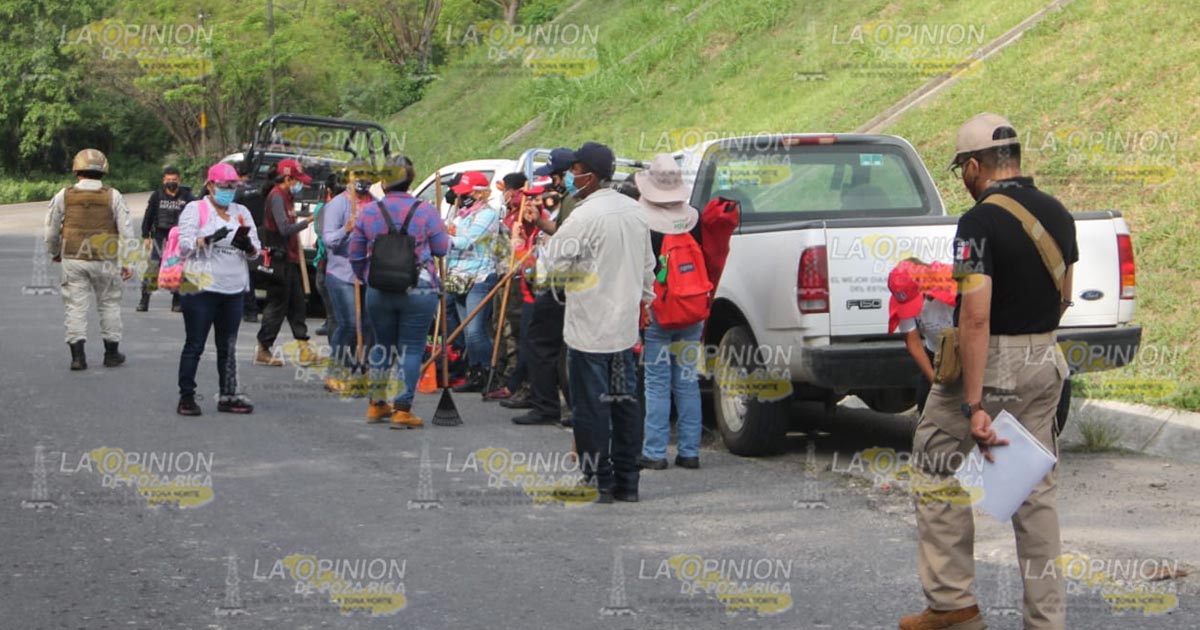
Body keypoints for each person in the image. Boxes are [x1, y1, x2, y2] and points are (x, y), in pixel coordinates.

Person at [900, 113, 1076, 630]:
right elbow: (1064, 297)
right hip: (1044, 359)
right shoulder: (1059, 214)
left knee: (935, 460)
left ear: (975, 166)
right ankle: (1047, 621)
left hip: (992, 361)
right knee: (1034, 493)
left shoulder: (977, 223)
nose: (964, 180)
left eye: (962, 171)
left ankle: (952, 604)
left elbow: (975, 316)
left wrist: (974, 403)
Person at [542, 142, 655, 503]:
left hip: (589, 329)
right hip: (624, 329)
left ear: (589, 175)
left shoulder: (583, 216)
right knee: (625, 405)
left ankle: (598, 479)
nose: (571, 177)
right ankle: (628, 481)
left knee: (591, 408)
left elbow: (550, 266)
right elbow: (648, 268)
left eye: (575, 171)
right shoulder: (635, 211)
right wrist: (644, 301)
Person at [350, 155, 449, 428]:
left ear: (384, 182)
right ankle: (402, 409)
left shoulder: (369, 212)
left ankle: (377, 404)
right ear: (410, 180)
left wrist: (367, 277)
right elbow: (441, 248)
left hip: (379, 288)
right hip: (419, 288)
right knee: (411, 348)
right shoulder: (426, 211)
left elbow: (355, 254)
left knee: (383, 345)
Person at [634, 154, 706, 471]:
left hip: (659, 310)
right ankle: (690, 452)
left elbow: (639, 268)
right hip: (692, 309)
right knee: (687, 381)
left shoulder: (643, 222)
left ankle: (655, 452)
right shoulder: (694, 219)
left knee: (657, 383)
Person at [175, 163, 262, 415]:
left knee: (228, 347)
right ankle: (186, 397)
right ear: (211, 185)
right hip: (199, 287)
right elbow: (184, 245)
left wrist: (248, 247)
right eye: (224, 186)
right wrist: (208, 239)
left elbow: (256, 249)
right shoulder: (196, 209)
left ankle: (228, 394)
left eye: (233, 186)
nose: (229, 191)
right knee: (195, 344)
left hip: (233, 289)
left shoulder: (241, 212)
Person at [45, 148, 134, 370]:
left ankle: (78, 358)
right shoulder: (113, 196)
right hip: (105, 259)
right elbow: (127, 232)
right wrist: (128, 262)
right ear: (103, 171)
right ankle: (111, 354)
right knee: (109, 304)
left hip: (73, 258)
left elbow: (51, 231)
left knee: (75, 307)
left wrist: (55, 251)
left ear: (77, 171)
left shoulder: (63, 195)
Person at [509, 148, 579, 424]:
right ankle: (560, 405)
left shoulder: (573, 201)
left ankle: (547, 406)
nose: (551, 183)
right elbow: (559, 232)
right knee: (557, 348)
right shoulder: (568, 200)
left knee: (542, 344)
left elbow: (565, 240)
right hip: (557, 282)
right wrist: (538, 220)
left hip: (560, 283)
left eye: (554, 177)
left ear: (566, 174)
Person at [486, 180, 548, 403]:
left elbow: (533, 266)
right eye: (528, 199)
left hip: (539, 294)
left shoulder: (546, 228)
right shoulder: (526, 225)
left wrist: (518, 244)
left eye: (535, 200)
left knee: (530, 342)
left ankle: (527, 388)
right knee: (523, 338)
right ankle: (514, 384)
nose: (529, 204)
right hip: (526, 292)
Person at [322, 164, 379, 394]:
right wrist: (347, 228)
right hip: (343, 273)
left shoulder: (375, 204)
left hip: (367, 273)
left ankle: (362, 370)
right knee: (349, 324)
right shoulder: (338, 204)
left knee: (368, 325)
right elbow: (329, 240)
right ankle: (334, 372)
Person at [443, 170, 502, 393]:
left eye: (465, 193)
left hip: (480, 277)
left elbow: (467, 240)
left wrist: (444, 237)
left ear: (479, 193)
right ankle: (474, 371)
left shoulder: (488, 215)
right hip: (458, 276)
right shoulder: (461, 215)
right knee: (467, 332)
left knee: (476, 331)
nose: (461, 197)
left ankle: (488, 372)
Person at [255, 158, 314, 367]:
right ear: (288, 178)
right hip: (278, 260)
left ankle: (304, 348)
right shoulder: (277, 197)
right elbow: (284, 229)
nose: (300, 185)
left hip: (290, 258)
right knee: (277, 305)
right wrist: (307, 222)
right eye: (297, 180)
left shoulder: (287, 197)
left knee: (298, 304)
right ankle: (263, 347)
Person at [887, 259, 956, 413]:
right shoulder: (903, 295)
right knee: (926, 402)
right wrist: (935, 382)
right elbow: (914, 343)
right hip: (934, 353)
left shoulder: (952, 287)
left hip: (964, 350)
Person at [138, 165, 195, 312]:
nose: (171, 182)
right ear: (164, 180)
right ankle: (144, 300)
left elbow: (195, 215)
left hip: (179, 237)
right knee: (154, 266)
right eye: (168, 179)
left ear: (179, 180)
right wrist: (146, 235)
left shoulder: (187, 196)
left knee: (178, 267)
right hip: (160, 236)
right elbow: (149, 215)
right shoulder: (157, 196)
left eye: (174, 179)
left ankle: (177, 301)